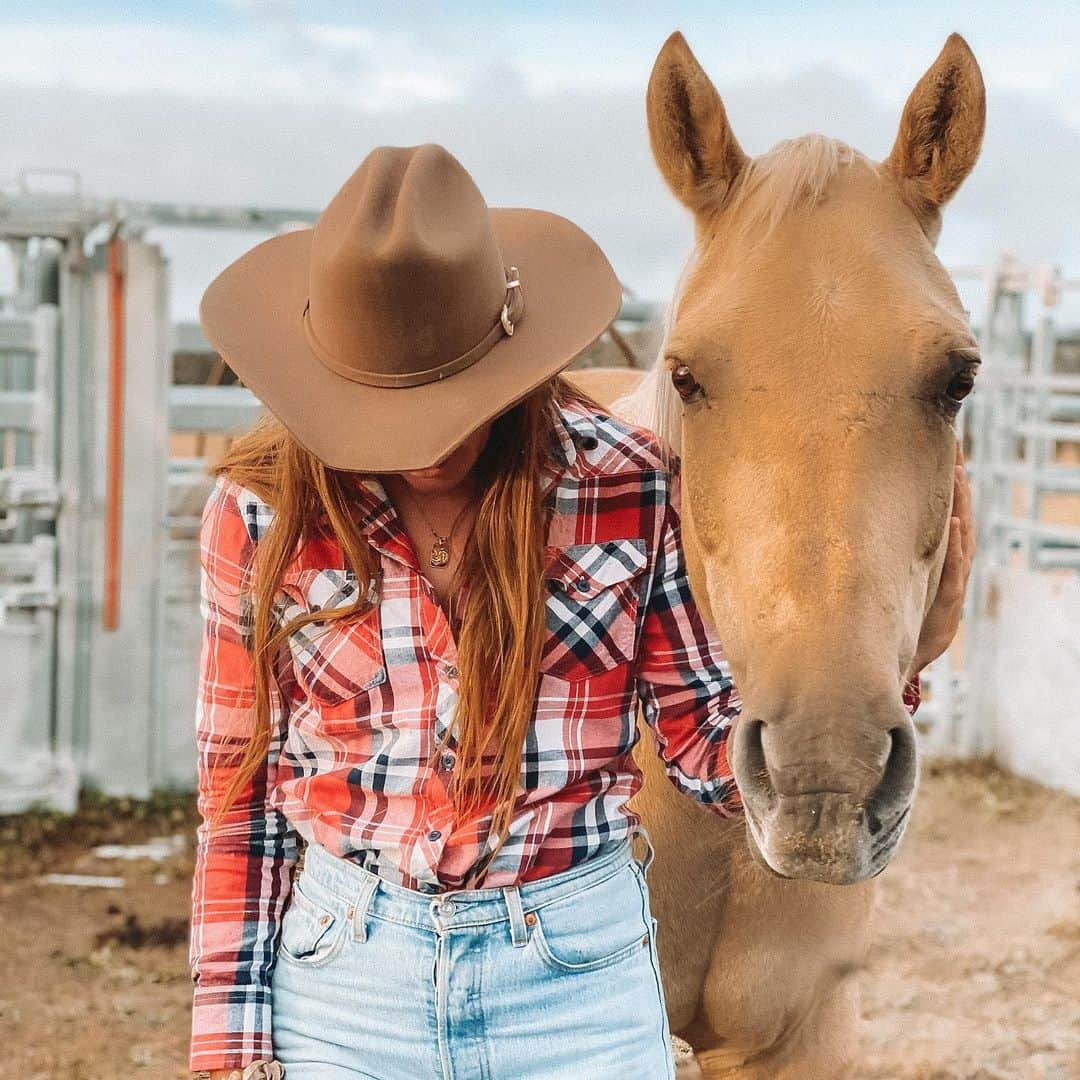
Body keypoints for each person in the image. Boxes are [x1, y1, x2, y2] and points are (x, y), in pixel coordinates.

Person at [187, 144, 971, 1080]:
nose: (426, 446)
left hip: (572, 975)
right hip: (349, 972)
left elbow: (698, 739)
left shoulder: (626, 482)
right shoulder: (262, 517)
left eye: (451, 395)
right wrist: (226, 1046)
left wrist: (870, 693)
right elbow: (240, 797)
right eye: (387, 406)